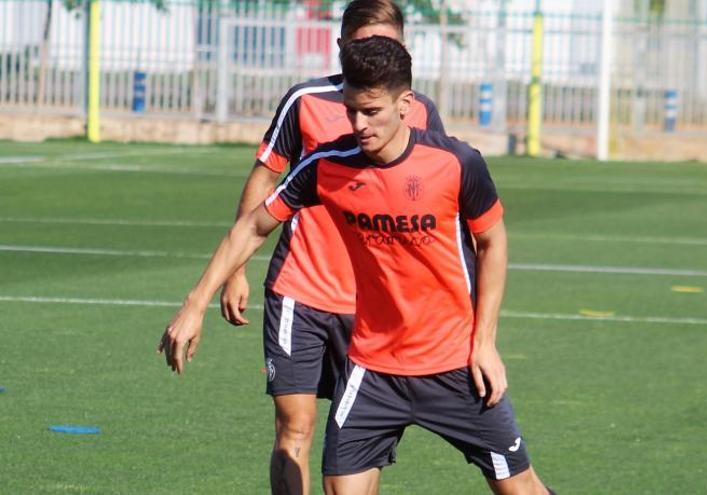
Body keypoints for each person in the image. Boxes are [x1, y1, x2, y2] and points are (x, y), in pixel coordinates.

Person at [160, 36, 551, 495]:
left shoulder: (456, 163)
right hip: (372, 370)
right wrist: (194, 303)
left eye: (372, 112)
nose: (359, 124)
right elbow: (252, 227)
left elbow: (492, 242)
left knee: (519, 487)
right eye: (351, 111)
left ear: (405, 104)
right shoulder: (327, 167)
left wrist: (484, 343)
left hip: (454, 364)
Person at [216, 1, 443, 493]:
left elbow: (437, 199)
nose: (374, 54)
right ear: (342, 47)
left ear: (405, 50)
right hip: (301, 290)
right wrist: (236, 270)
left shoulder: (419, 111)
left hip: (375, 309)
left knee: (359, 446)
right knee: (294, 426)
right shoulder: (305, 101)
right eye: (361, 45)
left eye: (387, 44)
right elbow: (266, 177)